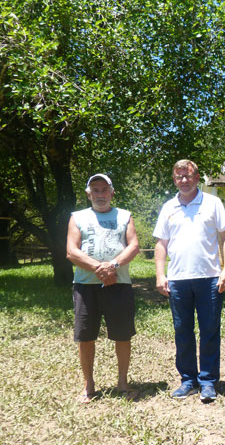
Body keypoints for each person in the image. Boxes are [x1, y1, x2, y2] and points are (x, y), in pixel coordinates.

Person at [153, 159, 225, 402]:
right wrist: (160, 274)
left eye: (188, 175)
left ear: (197, 178)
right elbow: (161, 243)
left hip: (209, 278)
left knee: (209, 331)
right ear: (174, 179)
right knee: (182, 331)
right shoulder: (168, 207)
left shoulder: (213, 203)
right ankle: (188, 380)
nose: (183, 180)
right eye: (179, 176)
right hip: (178, 280)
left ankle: (208, 381)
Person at [66, 173, 140, 403]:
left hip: (119, 284)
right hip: (85, 286)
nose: (100, 194)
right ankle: (89, 385)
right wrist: (101, 268)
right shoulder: (77, 217)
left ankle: (123, 383)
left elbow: (134, 245)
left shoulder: (125, 216)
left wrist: (114, 266)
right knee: (86, 336)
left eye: (104, 189)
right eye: (95, 190)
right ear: (89, 194)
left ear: (112, 193)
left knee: (123, 335)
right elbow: (71, 250)